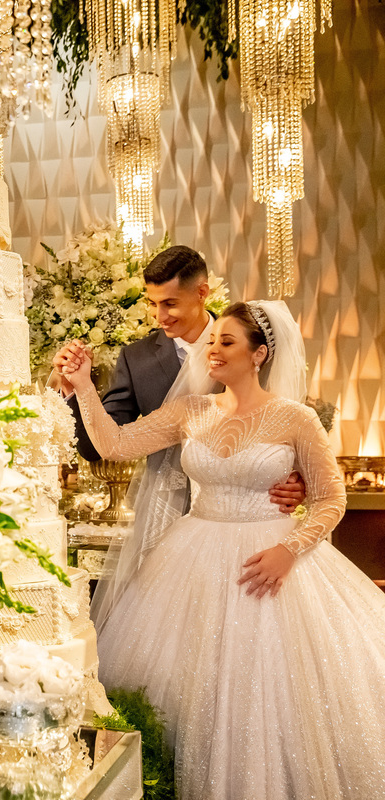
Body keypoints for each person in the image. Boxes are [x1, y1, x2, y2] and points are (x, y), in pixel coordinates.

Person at [61, 300, 385, 800]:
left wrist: (289, 549)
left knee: (271, 687)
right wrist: (83, 387)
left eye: (226, 342)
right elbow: (114, 445)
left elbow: (331, 499)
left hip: (270, 555)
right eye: (212, 341)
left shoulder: (295, 418)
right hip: (193, 554)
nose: (212, 350)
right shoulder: (190, 410)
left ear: (259, 354)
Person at [53, 246, 305, 514]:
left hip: (243, 510)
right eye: (152, 303)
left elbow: (285, 427)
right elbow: (98, 447)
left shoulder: (248, 344)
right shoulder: (136, 358)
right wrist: (74, 388)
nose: (159, 317)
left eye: (170, 304)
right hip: (163, 514)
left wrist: (298, 481)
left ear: (202, 293)